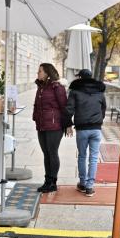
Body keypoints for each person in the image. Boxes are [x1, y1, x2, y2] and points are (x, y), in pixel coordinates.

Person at [65, 69, 106, 197]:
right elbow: (103, 109)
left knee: (82, 156)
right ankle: (90, 187)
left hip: (82, 129)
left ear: (80, 78)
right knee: (93, 158)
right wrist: (98, 121)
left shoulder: (75, 91)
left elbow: (69, 109)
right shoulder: (99, 92)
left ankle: (82, 183)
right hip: (96, 129)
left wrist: (68, 124)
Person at [32, 63, 68, 193]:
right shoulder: (41, 87)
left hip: (54, 126)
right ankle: (47, 181)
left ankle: (52, 182)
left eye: (40, 71)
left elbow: (65, 106)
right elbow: (37, 105)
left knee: (52, 153)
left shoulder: (57, 87)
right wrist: (35, 118)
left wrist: (68, 124)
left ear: (47, 73)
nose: (38, 73)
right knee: (46, 153)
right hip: (42, 125)